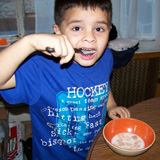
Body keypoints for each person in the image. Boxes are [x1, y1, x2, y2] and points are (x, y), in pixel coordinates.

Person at [0, 0, 130, 159]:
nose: (90, 38)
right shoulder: (40, 68)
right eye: (77, 28)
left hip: (95, 152)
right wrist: (30, 42)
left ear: (109, 30)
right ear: (58, 31)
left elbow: (103, 85)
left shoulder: (106, 57)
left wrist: (111, 106)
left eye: (99, 29)